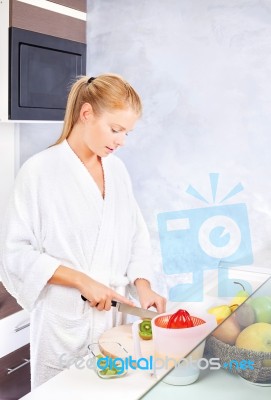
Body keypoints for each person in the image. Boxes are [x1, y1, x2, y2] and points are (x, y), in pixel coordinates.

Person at [0, 74, 166, 389]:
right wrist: (82, 281)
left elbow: (135, 236)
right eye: (116, 130)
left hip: (112, 325)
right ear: (86, 113)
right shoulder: (39, 171)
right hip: (64, 323)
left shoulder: (117, 170)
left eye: (127, 132)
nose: (121, 141)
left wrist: (143, 286)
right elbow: (15, 254)